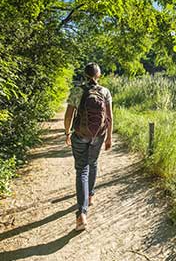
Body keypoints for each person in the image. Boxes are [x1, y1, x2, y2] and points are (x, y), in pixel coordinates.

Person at [64, 62, 113, 231]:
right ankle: (90, 196)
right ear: (98, 75)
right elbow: (109, 117)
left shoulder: (77, 90)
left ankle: (81, 214)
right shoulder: (105, 91)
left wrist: (66, 133)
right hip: (98, 135)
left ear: (85, 75)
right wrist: (109, 137)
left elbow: (69, 114)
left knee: (81, 169)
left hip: (80, 135)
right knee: (92, 164)